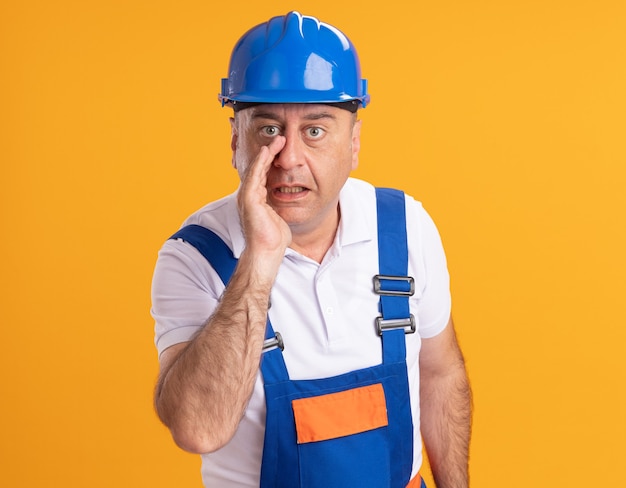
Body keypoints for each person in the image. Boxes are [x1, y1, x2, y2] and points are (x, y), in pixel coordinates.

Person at [151, 11, 472, 488]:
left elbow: (441, 375)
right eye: (268, 130)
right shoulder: (195, 256)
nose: (290, 158)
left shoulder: (404, 226)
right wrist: (259, 260)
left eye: (315, 130)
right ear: (236, 140)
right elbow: (199, 429)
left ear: (354, 143)